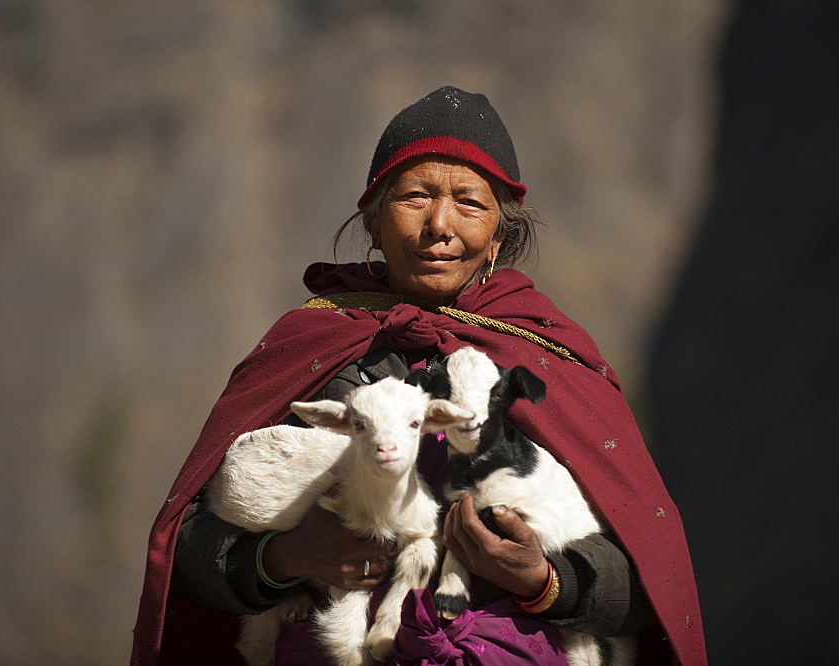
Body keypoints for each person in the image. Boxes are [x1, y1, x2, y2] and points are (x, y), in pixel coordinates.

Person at [131, 86, 707, 665]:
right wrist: (283, 558)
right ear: (374, 223)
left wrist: (542, 577)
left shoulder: (545, 356)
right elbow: (189, 549)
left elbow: (648, 579)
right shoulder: (311, 347)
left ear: (498, 237)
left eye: (469, 203)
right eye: (415, 197)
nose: (439, 224)